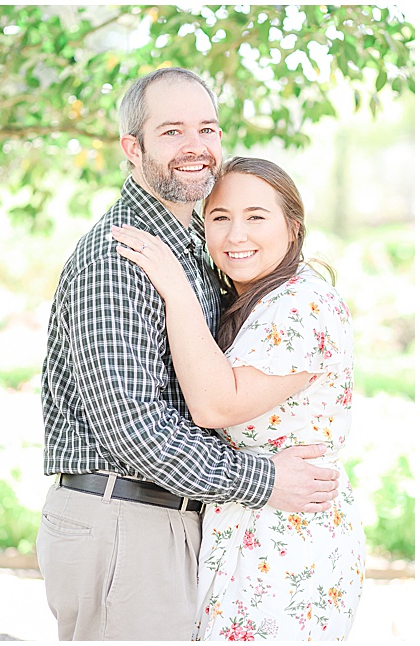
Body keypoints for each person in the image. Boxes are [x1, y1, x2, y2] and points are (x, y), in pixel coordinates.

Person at [36, 67, 341, 640]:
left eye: (208, 129)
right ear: (134, 147)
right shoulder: (119, 256)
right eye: (172, 131)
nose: (196, 148)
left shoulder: (196, 251)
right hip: (125, 522)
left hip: (173, 522)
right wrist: (265, 479)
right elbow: (134, 429)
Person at [112, 156, 364, 640]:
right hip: (248, 529)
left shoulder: (303, 304)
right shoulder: (256, 300)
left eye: (255, 217)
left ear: (293, 227)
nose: (235, 235)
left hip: (285, 543)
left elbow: (216, 405)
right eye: (220, 218)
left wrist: (173, 284)